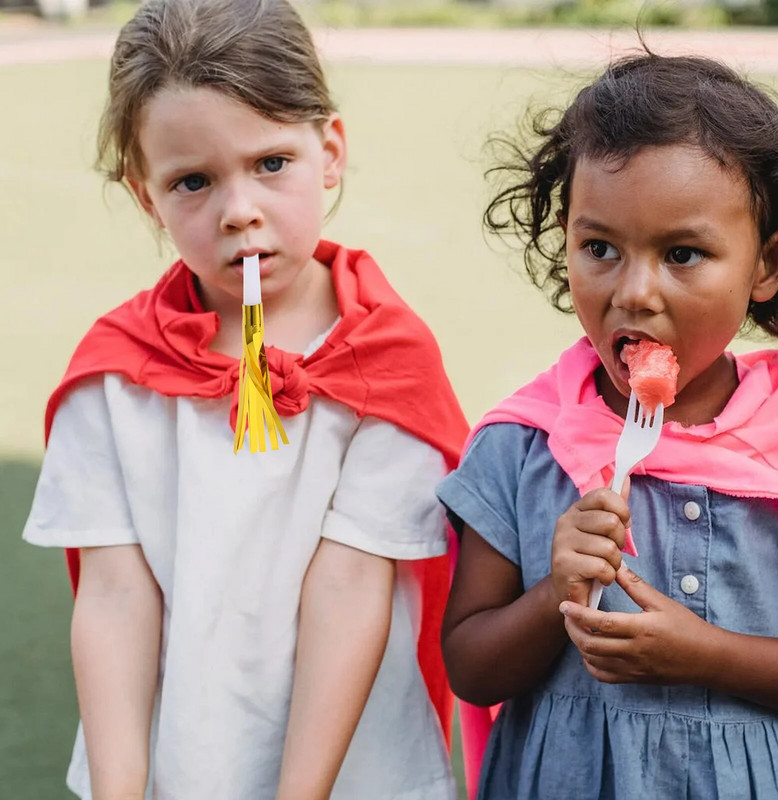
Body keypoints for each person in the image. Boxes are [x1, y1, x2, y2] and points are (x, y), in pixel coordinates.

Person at [22, 1, 467, 798]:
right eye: (192, 181)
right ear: (146, 197)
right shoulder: (114, 377)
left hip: (355, 775)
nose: (239, 212)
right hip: (172, 771)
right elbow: (117, 597)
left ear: (329, 152)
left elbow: (348, 587)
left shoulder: (387, 362)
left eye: (271, 162)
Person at [437, 51, 778, 799]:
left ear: (767, 264)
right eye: (599, 248)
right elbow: (470, 669)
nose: (634, 292)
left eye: (683, 254)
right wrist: (556, 592)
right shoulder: (521, 444)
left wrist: (708, 655)